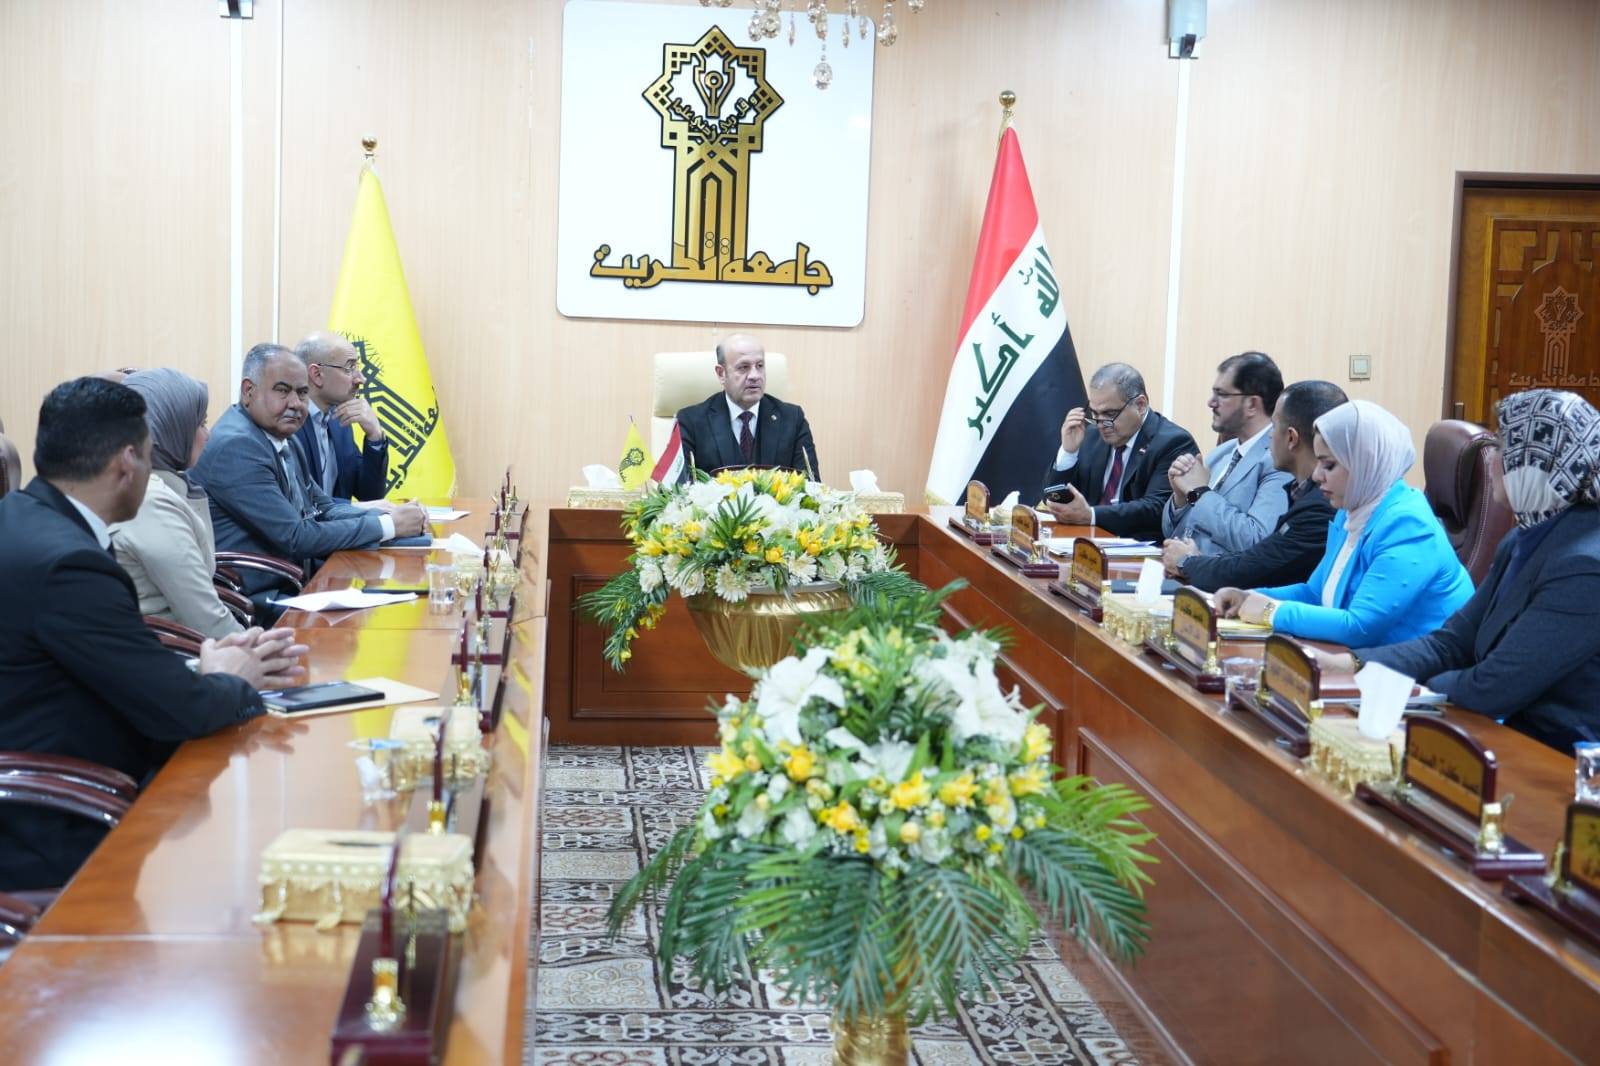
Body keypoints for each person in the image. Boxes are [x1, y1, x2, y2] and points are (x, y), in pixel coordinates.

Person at [0, 377, 306, 890]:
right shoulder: (69, 564)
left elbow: (105, 661)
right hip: (61, 820)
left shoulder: (24, 519)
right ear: (127, 462)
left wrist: (203, 667)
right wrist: (234, 678)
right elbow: (181, 711)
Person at [1322, 390, 1600, 753]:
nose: (1493, 460)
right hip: (1503, 736)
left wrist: (1410, 689)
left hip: (1560, 761)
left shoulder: (1584, 566)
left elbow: (1494, 687)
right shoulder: (1522, 539)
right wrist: (1353, 663)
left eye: (1504, 447)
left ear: (1539, 461)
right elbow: (1451, 643)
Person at [1215, 399, 1473, 645]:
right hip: (1359, 659)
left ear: (1364, 463)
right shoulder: (1350, 510)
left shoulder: (1408, 525)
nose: (1317, 475)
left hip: (1414, 671)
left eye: (1329, 465)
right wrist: (1248, 597)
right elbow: (1315, 593)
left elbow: (1359, 627)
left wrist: (1270, 611)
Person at [192, 344, 427, 600]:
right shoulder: (237, 446)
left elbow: (323, 509)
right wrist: (389, 525)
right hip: (258, 599)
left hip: (297, 582)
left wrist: (390, 514)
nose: (296, 404)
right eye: (282, 391)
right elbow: (296, 537)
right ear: (249, 391)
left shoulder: (285, 438)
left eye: (302, 393)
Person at [1167, 380, 1347, 591]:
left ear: (1291, 437)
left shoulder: (1321, 503)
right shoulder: (1299, 490)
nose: (1269, 435)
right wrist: (1182, 499)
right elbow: (1260, 556)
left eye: (1274, 426)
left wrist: (1188, 562)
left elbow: (1256, 564)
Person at [108, 369, 243, 639]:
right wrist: (266, 653)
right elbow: (206, 620)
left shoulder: (158, 485)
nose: (208, 435)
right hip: (171, 651)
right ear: (168, 427)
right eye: (200, 424)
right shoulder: (150, 501)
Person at [1041, 362, 1198, 541]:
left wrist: (1091, 515)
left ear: (1140, 405)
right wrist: (1068, 452)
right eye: (1095, 413)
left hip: (1139, 549)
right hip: (1085, 543)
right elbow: (1052, 497)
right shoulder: (1091, 435)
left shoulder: (1173, 442)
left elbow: (1156, 509)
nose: (1101, 424)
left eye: (1109, 414)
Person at [1162, 352, 1292, 557]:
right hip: (1184, 571)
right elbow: (1172, 533)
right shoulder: (1221, 453)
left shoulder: (1278, 460)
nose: (1211, 402)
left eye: (1222, 394)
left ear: (1252, 404)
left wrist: (1199, 492)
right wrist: (1181, 497)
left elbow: (1257, 539)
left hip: (1224, 577)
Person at [673, 333, 819, 479]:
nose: (755, 376)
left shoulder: (792, 419)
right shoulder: (691, 422)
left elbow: (811, 484)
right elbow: (682, 487)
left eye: (760, 366)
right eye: (743, 367)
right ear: (721, 373)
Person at [291, 331, 390, 501]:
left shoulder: (338, 420)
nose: (361, 379)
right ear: (316, 375)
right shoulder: (289, 424)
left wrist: (375, 436)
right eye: (349, 368)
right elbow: (302, 504)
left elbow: (370, 496)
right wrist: (351, 508)